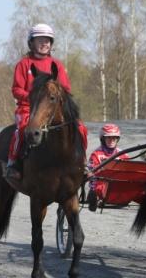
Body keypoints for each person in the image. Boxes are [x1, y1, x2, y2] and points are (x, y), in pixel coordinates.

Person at [6, 23, 88, 180]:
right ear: (32, 43)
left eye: (47, 41)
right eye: (40, 40)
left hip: (53, 109)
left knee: (81, 128)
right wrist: (34, 98)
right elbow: (16, 90)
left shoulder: (57, 65)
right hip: (27, 108)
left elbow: (66, 88)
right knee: (22, 128)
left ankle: (81, 163)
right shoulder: (23, 64)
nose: (44, 44)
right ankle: (13, 163)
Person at [87, 123, 129, 211]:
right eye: (108, 137)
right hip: (101, 186)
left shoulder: (123, 154)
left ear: (117, 139)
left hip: (119, 186)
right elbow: (92, 175)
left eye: (114, 138)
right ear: (103, 139)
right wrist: (93, 191)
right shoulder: (96, 154)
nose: (111, 140)